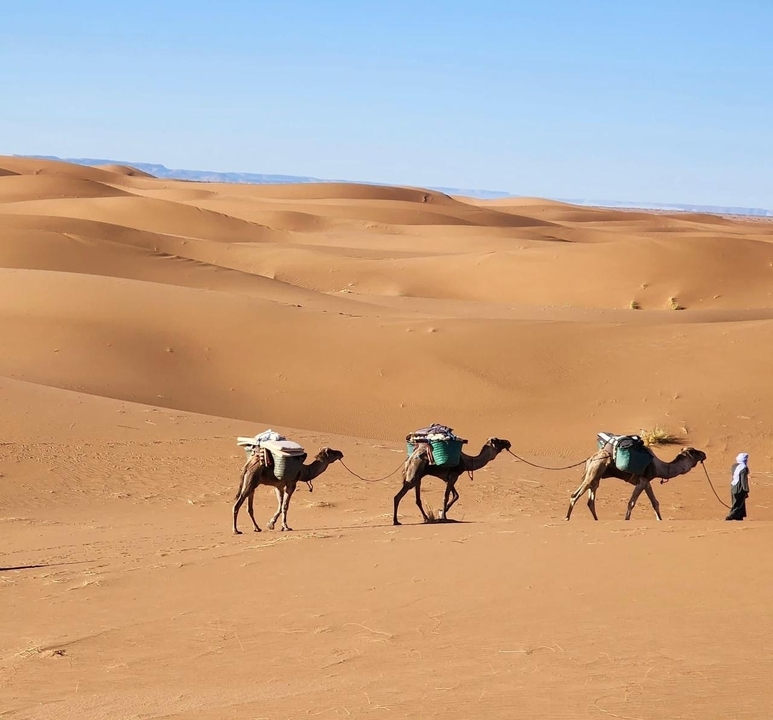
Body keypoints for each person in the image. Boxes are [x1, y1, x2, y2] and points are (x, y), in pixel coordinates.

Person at [725, 452, 750, 521]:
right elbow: (743, 480)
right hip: (740, 488)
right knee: (738, 503)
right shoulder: (744, 468)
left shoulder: (734, 466)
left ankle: (739, 516)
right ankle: (731, 516)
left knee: (737, 502)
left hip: (733, 486)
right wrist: (746, 490)